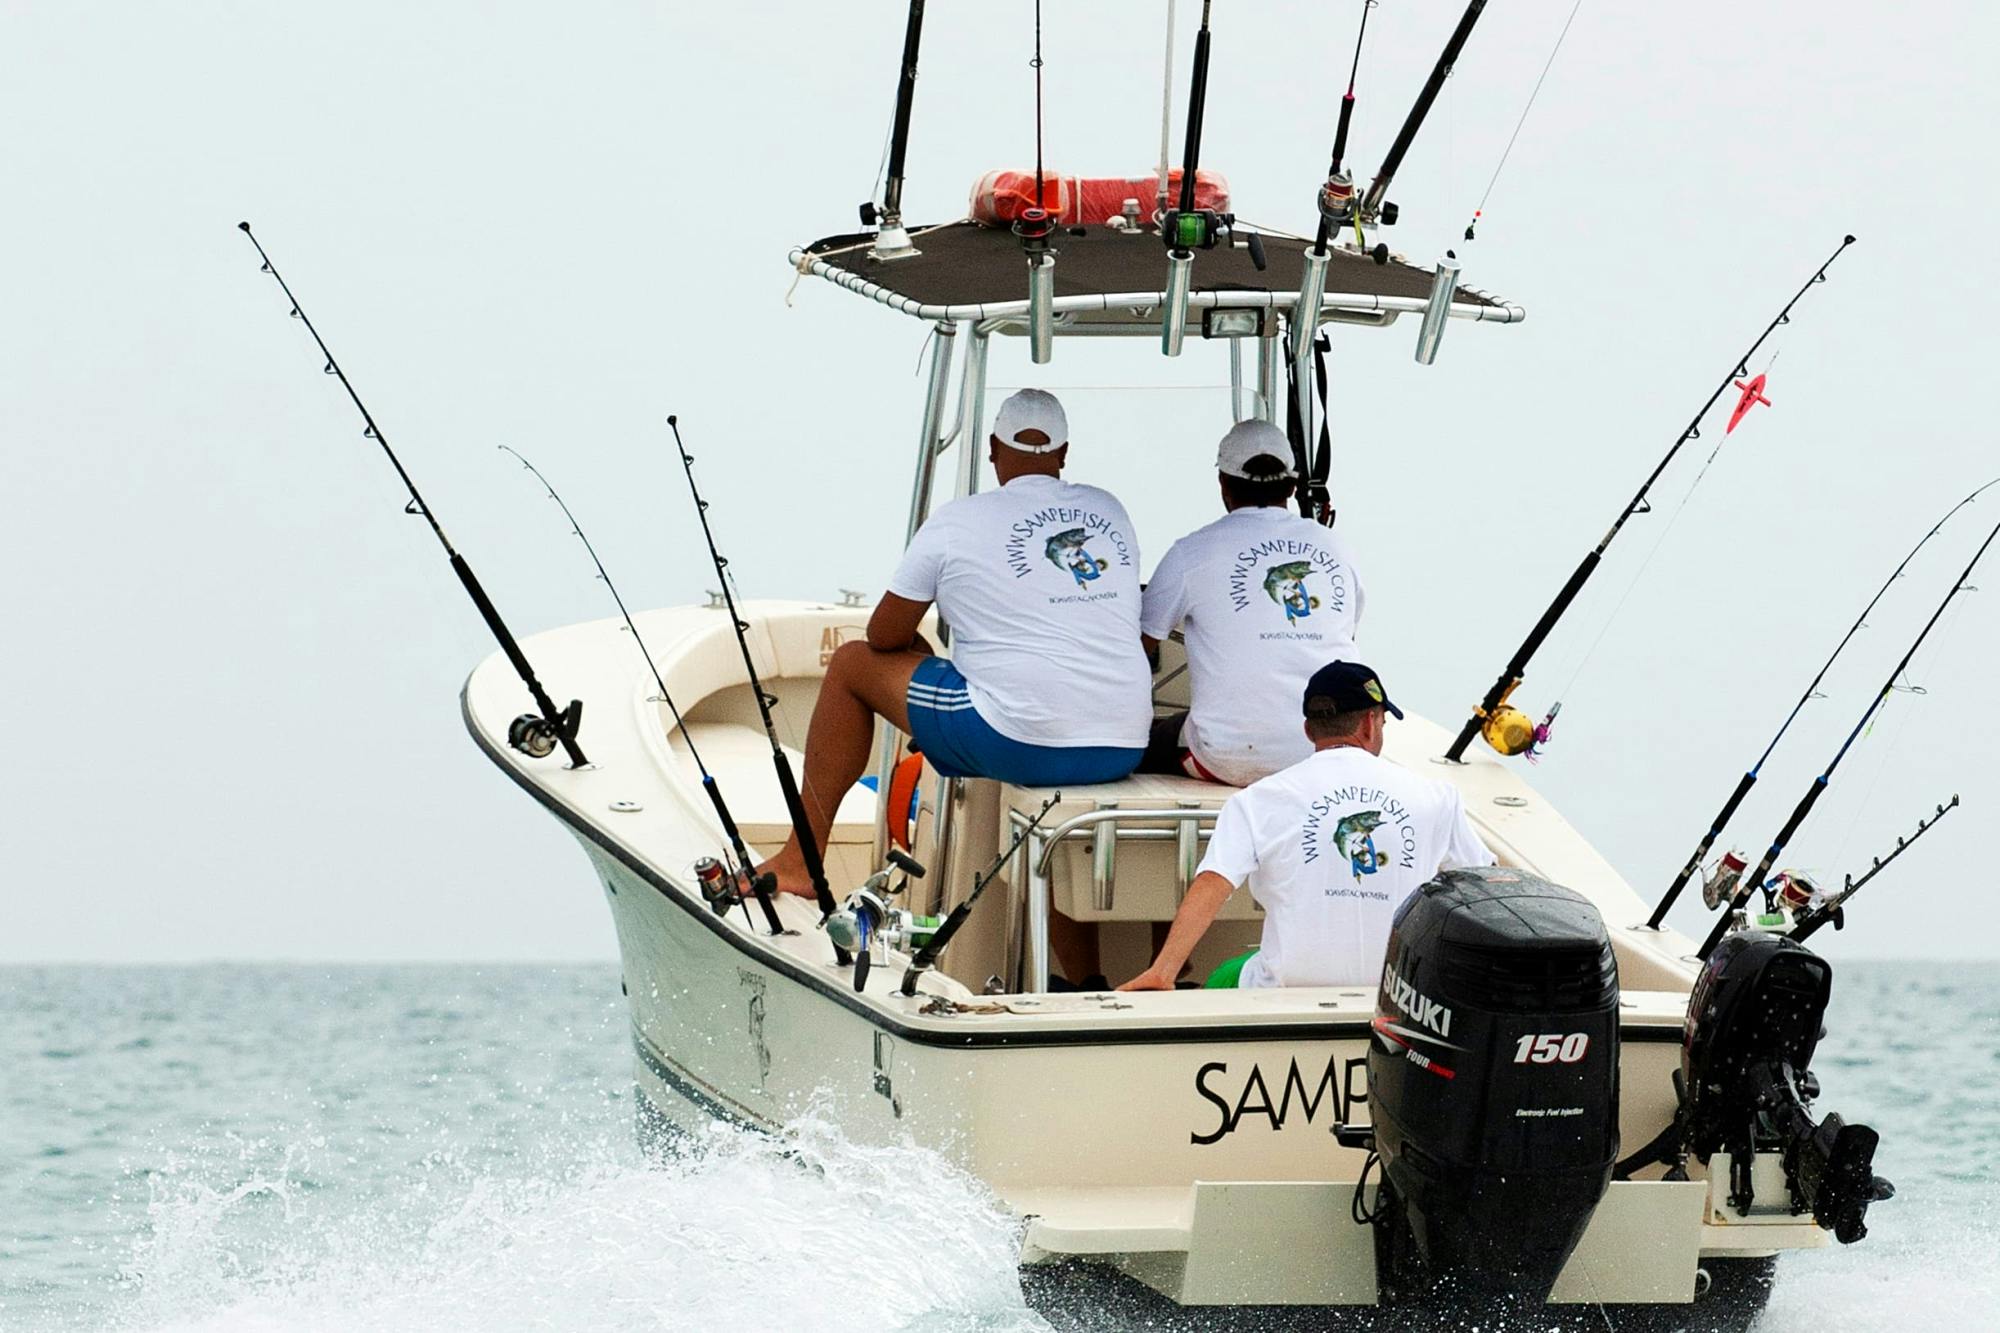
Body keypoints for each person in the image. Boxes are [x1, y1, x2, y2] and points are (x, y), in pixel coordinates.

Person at [757, 389, 1152, 931]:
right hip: (1122, 746)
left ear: (992, 449)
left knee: (851, 665)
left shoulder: (957, 521)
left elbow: (882, 634)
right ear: (1062, 455)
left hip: (1021, 742)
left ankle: (801, 861)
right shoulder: (1109, 510)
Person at [1119, 660, 1494, 991]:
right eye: (1381, 720)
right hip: (1398, 991)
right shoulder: (1437, 798)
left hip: (1286, 989)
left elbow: (1213, 883)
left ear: (1308, 729)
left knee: (1223, 977)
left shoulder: (1258, 799)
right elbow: (1486, 888)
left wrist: (1163, 971)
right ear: (1369, 723)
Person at [1139, 419, 1365, 787]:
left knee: (1151, 739)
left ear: (1223, 484)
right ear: (1292, 486)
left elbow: (1141, 645)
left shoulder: (1191, 552)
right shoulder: (1338, 548)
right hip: (1328, 750)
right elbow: (1344, 633)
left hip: (1228, 760)